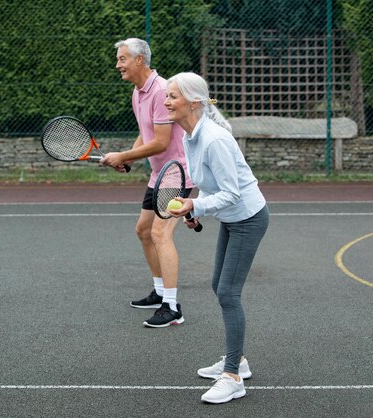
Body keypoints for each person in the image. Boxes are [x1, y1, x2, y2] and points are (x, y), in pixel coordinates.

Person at [163, 72, 269, 404]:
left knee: (227, 292)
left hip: (248, 219)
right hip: (230, 219)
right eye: (166, 96)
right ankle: (238, 360)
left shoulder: (215, 139)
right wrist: (194, 210)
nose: (166, 101)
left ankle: (233, 377)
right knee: (218, 285)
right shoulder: (189, 135)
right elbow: (205, 185)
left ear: (194, 103)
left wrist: (197, 204)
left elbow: (233, 194)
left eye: (172, 96)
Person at [100, 38, 194, 328]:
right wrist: (128, 158)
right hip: (159, 173)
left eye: (122, 58)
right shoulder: (137, 93)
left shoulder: (161, 91)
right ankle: (161, 292)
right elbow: (147, 134)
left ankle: (172, 306)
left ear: (139, 60)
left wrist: (123, 155)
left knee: (160, 233)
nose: (118, 64)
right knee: (143, 230)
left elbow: (163, 141)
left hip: (176, 173)